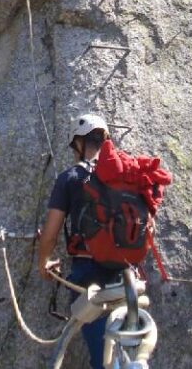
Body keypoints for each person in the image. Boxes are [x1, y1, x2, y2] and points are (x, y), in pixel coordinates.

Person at [37, 113, 121, 369]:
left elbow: (50, 233)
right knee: (129, 347)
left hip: (89, 276)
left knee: (104, 357)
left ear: (79, 143)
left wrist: (44, 262)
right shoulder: (124, 176)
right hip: (126, 272)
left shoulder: (70, 178)